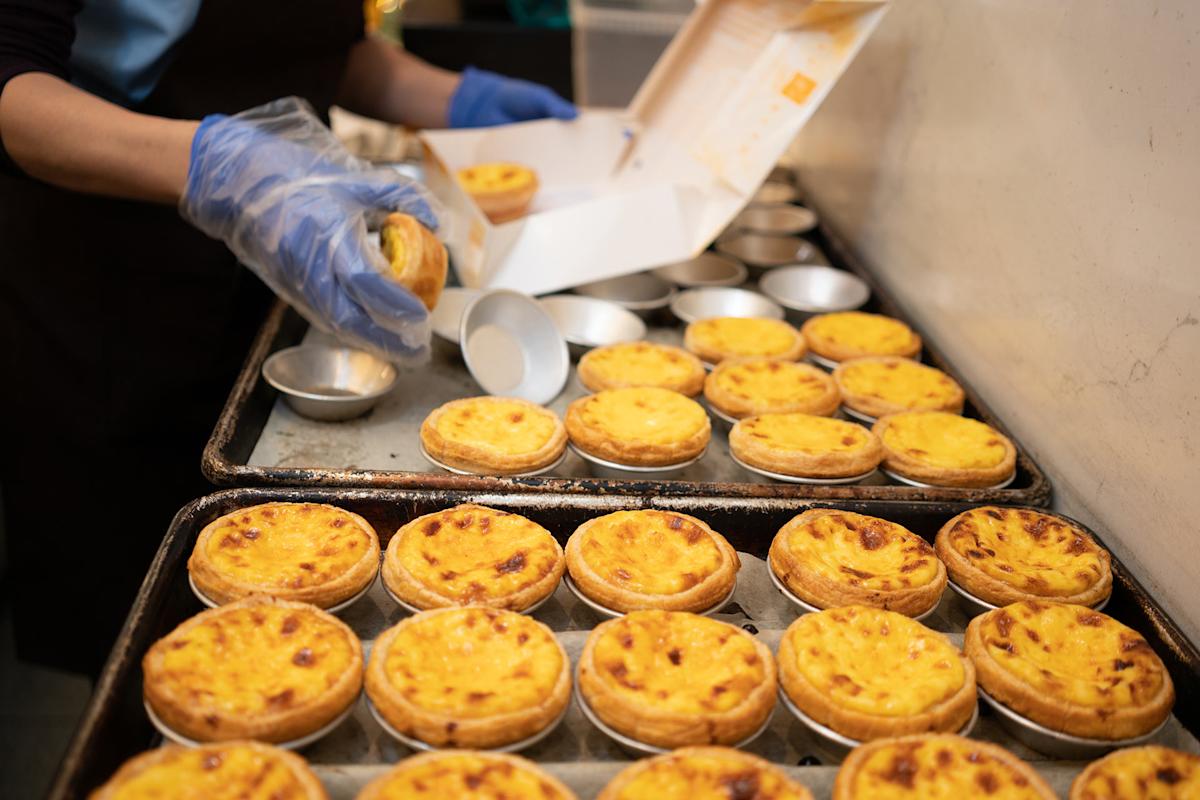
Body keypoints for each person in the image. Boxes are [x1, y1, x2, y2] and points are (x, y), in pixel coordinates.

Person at [0, 0, 576, 676]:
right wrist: (213, 166)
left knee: (285, 611)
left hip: (279, 266)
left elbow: (301, 41)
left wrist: (458, 96)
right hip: (105, 287)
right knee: (147, 648)